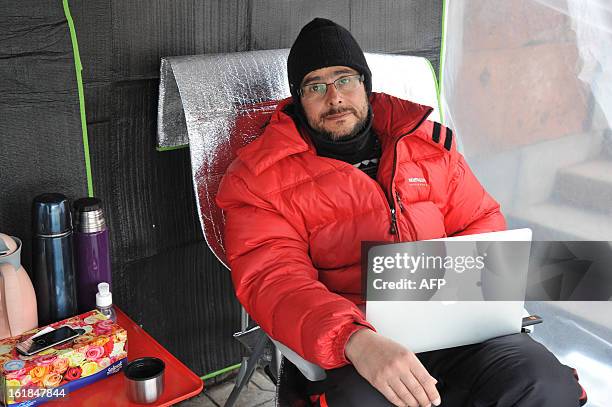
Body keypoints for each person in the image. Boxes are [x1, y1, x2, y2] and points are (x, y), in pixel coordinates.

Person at [216, 18, 585, 407]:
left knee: (542, 383)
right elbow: (274, 282)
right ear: (297, 98)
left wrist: (473, 296)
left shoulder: (428, 145)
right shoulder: (258, 179)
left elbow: (480, 223)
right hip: (358, 344)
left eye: (345, 79)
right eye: (315, 86)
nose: (335, 98)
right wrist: (354, 339)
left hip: (456, 322)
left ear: (365, 84)